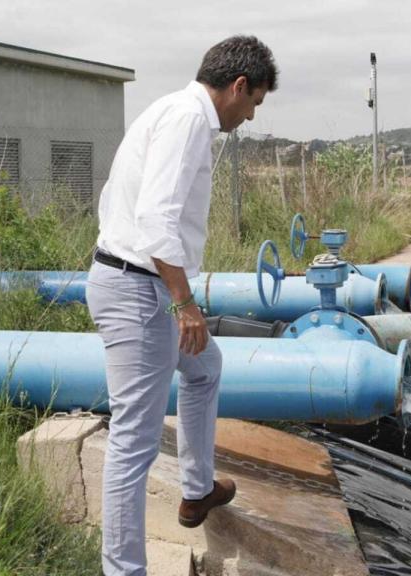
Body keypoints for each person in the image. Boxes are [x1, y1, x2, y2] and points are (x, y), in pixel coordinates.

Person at [85, 36, 278, 576]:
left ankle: (197, 490)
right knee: (134, 444)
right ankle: (124, 570)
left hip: (135, 282)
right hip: (139, 291)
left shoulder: (170, 110)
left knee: (204, 366)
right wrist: (184, 304)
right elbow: (154, 222)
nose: (251, 115)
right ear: (238, 87)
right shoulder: (190, 121)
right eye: (254, 103)